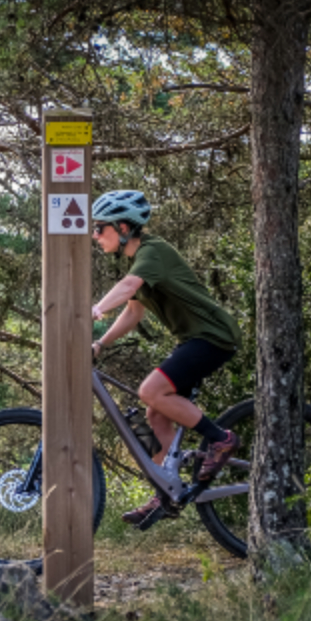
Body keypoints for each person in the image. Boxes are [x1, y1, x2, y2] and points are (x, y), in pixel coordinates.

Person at [88, 190, 242, 527]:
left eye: (100, 228)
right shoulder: (139, 258)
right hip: (195, 338)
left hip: (214, 335)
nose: (95, 235)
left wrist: (95, 309)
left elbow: (128, 287)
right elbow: (133, 312)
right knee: (155, 414)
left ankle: (221, 438)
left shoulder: (152, 252)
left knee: (151, 390)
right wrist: (101, 343)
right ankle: (166, 491)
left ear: (124, 227)